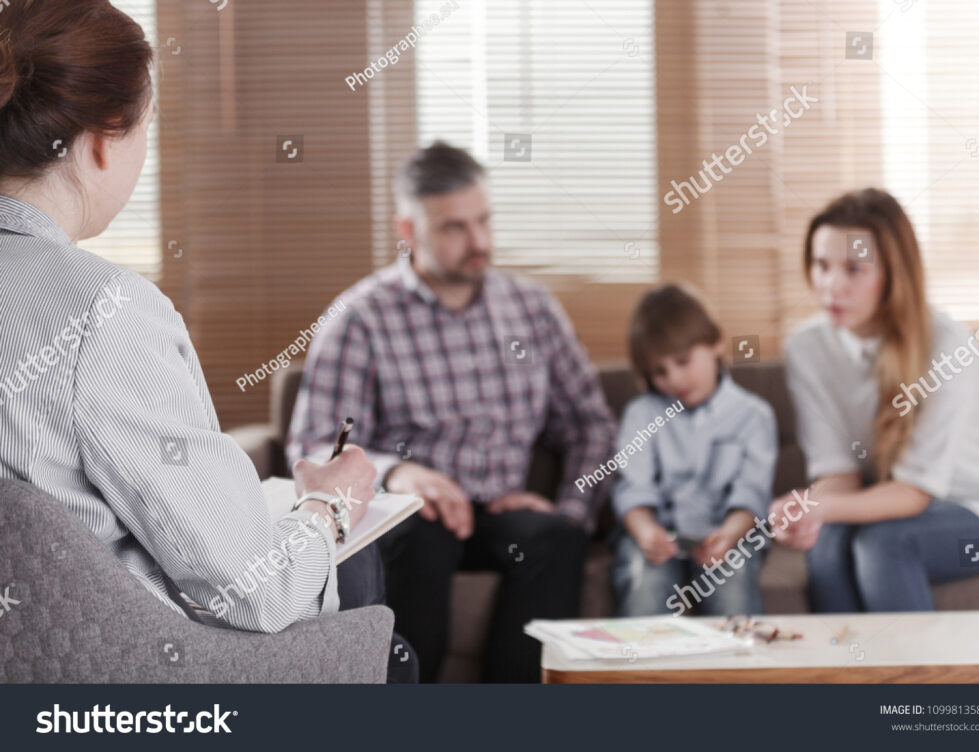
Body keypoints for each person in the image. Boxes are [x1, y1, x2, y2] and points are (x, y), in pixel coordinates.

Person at [0, 0, 414, 681]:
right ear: (106, 137)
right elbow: (253, 591)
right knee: (362, 578)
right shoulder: (105, 312)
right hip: (137, 689)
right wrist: (331, 505)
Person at [286, 141, 618, 682]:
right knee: (420, 538)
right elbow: (319, 443)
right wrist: (401, 472)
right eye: (454, 228)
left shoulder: (532, 309)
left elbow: (590, 424)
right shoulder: (360, 318)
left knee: (556, 539)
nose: (479, 241)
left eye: (483, 221)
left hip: (504, 510)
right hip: (414, 513)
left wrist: (567, 507)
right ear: (408, 230)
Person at [772, 187, 979, 611]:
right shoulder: (807, 348)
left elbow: (912, 494)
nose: (831, 285)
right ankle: (848, 675)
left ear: (893, 274)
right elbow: (840, 474)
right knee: (828, 544)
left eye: (854, 269)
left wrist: (817, 507)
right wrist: (807, 511)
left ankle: (912, 677)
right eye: (821, 265)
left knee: (885, 545)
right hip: (891, 504)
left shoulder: (947, 346)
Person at [609, 283, 778, 617]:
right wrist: (646, 532)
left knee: (732, 584)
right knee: (646, 581)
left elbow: (752, 494)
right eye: (659, 371)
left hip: (729, 533)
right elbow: (633, 489)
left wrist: (729, 535)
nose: (674, 379)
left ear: (716, 342)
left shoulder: (753, 416)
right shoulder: (640, 414)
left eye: (683, 361)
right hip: (659, 538)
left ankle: (736, 670)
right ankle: (640, 670)